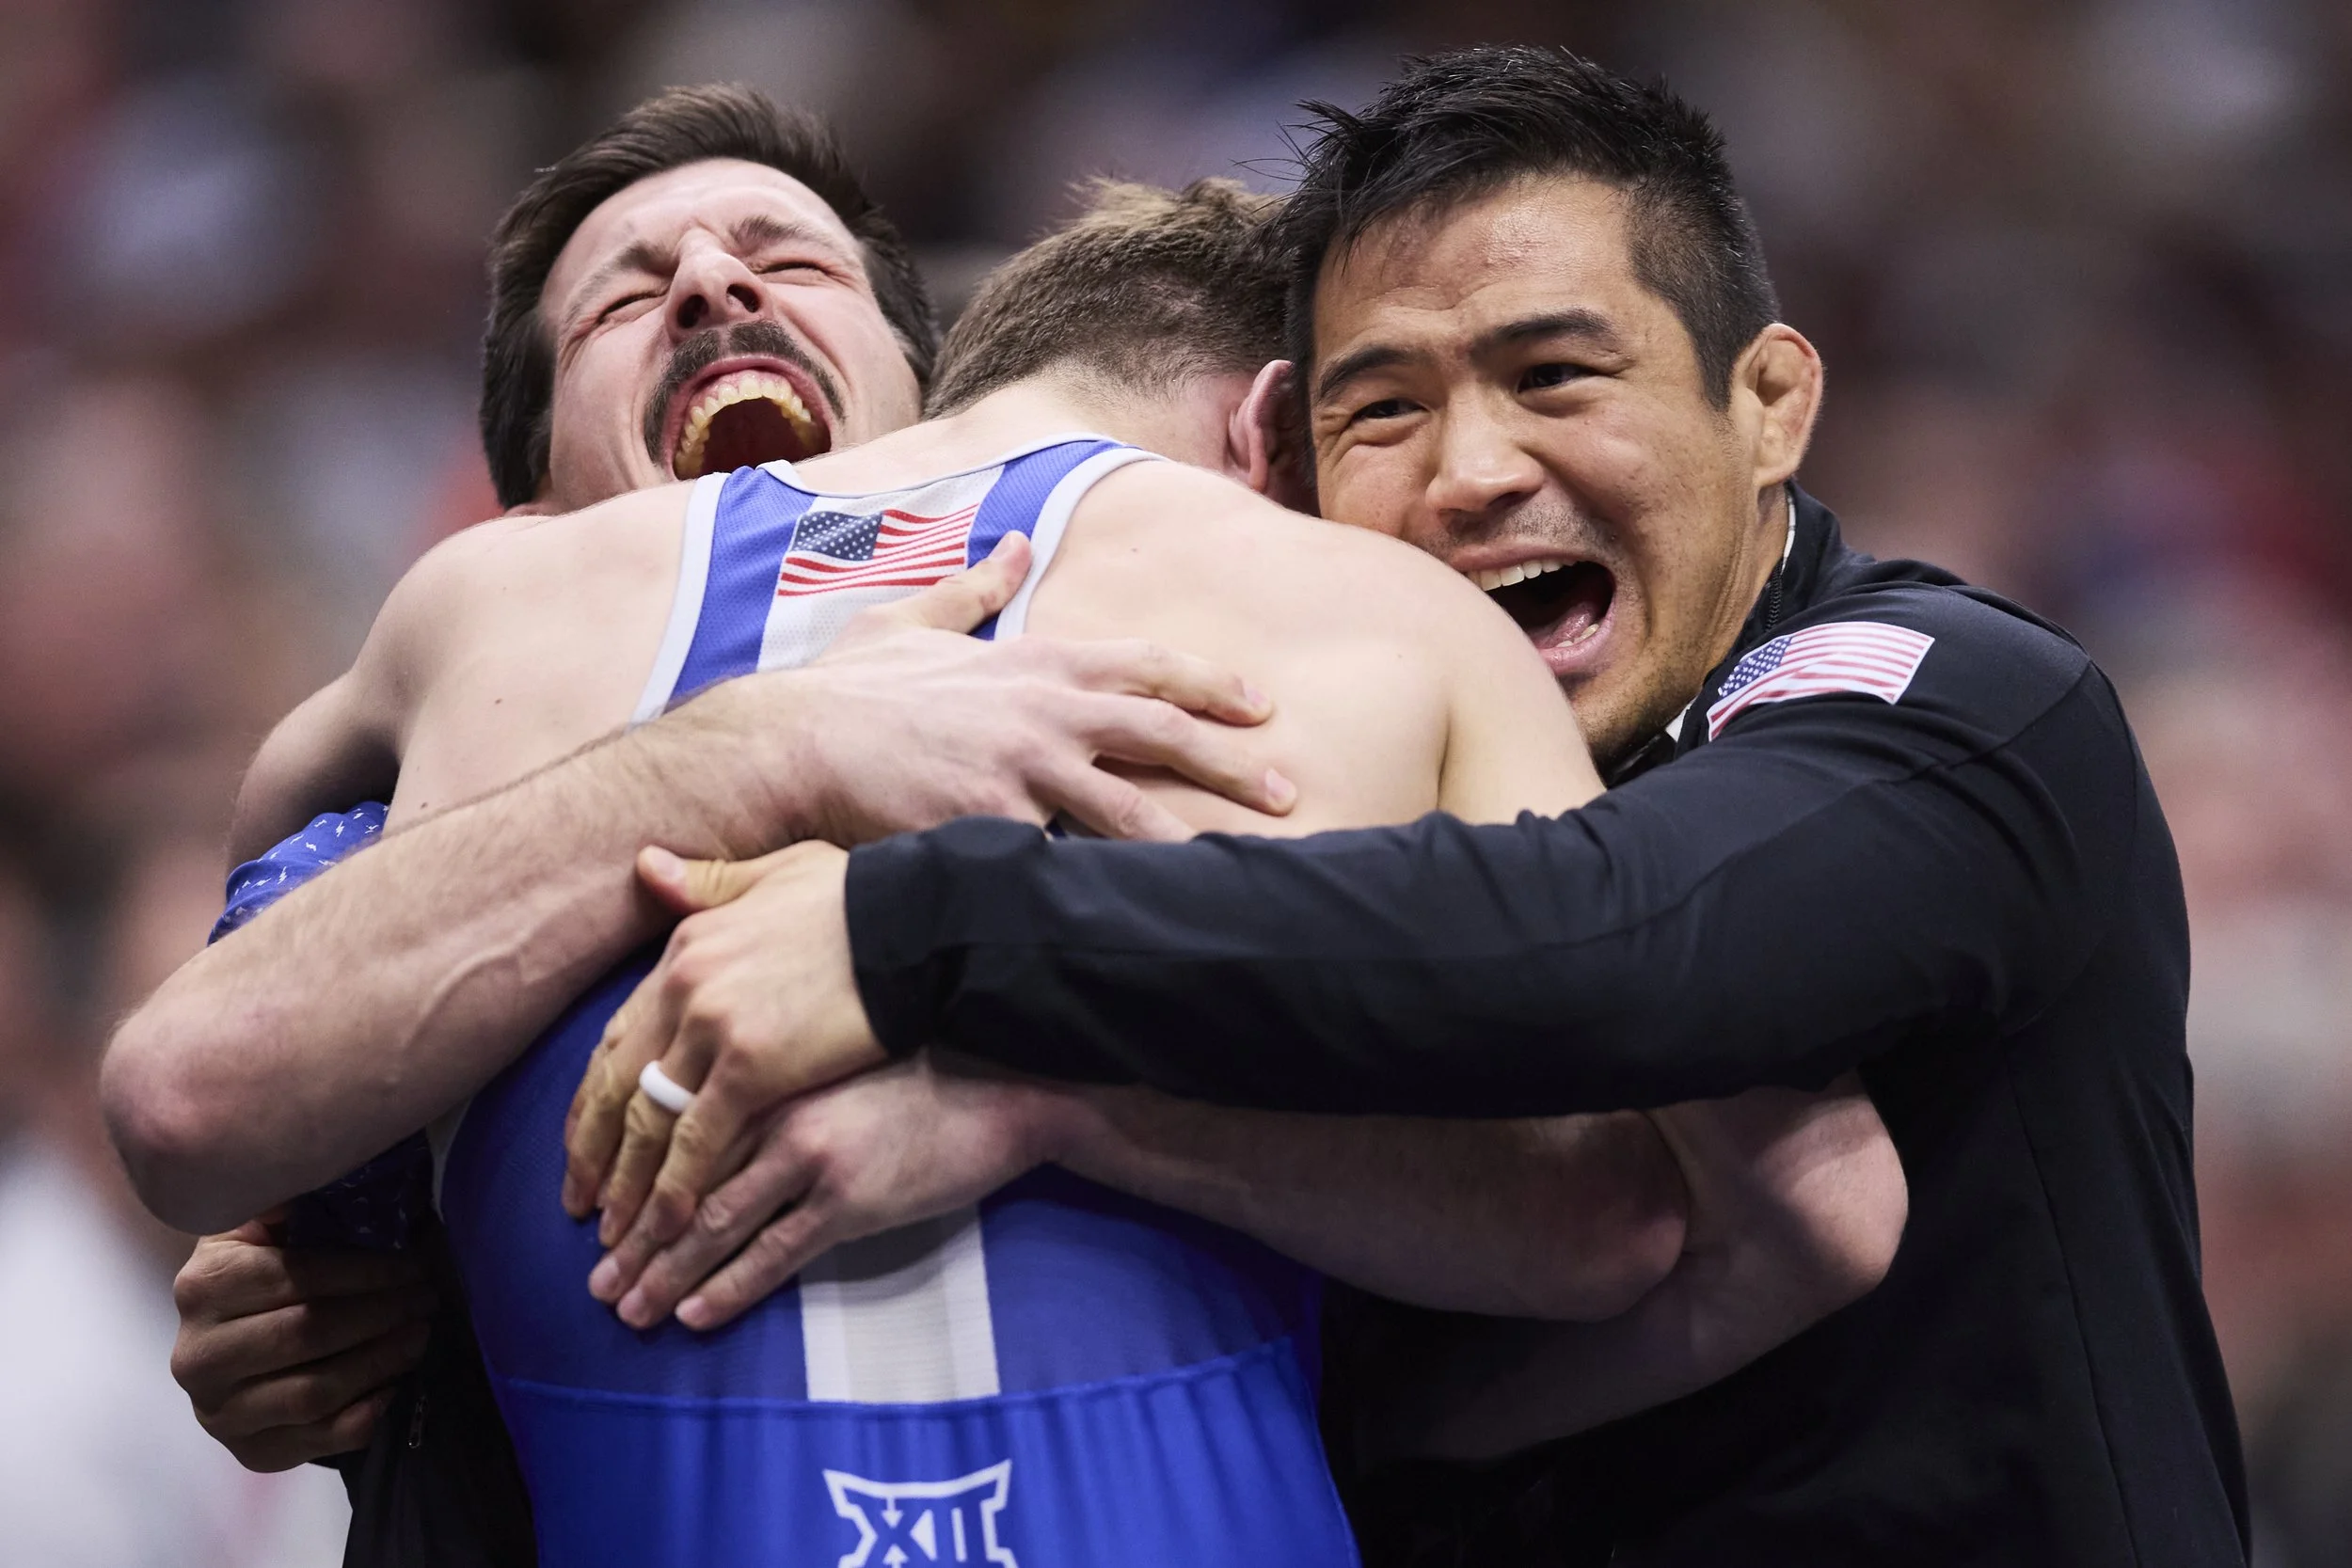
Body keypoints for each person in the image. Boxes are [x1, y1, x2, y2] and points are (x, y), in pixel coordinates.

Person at [114, 77, 1895, 1565]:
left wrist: (1048, 1083)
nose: (718, 290)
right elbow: (1736, 1211)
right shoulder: (508, 611)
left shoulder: (498, 619)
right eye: (620, 299)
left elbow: (1653, 1209)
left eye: (787, 260)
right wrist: (760, 748)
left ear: (938, 377)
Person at [561, 47, 2249, 1567]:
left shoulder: (1948, 701)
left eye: (1557, 375)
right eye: (1386, 407)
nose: (1471, 471)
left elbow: (1618, 936)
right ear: (1289, 460)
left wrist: (925, 935)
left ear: (1767, 405)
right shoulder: (1327, 835)